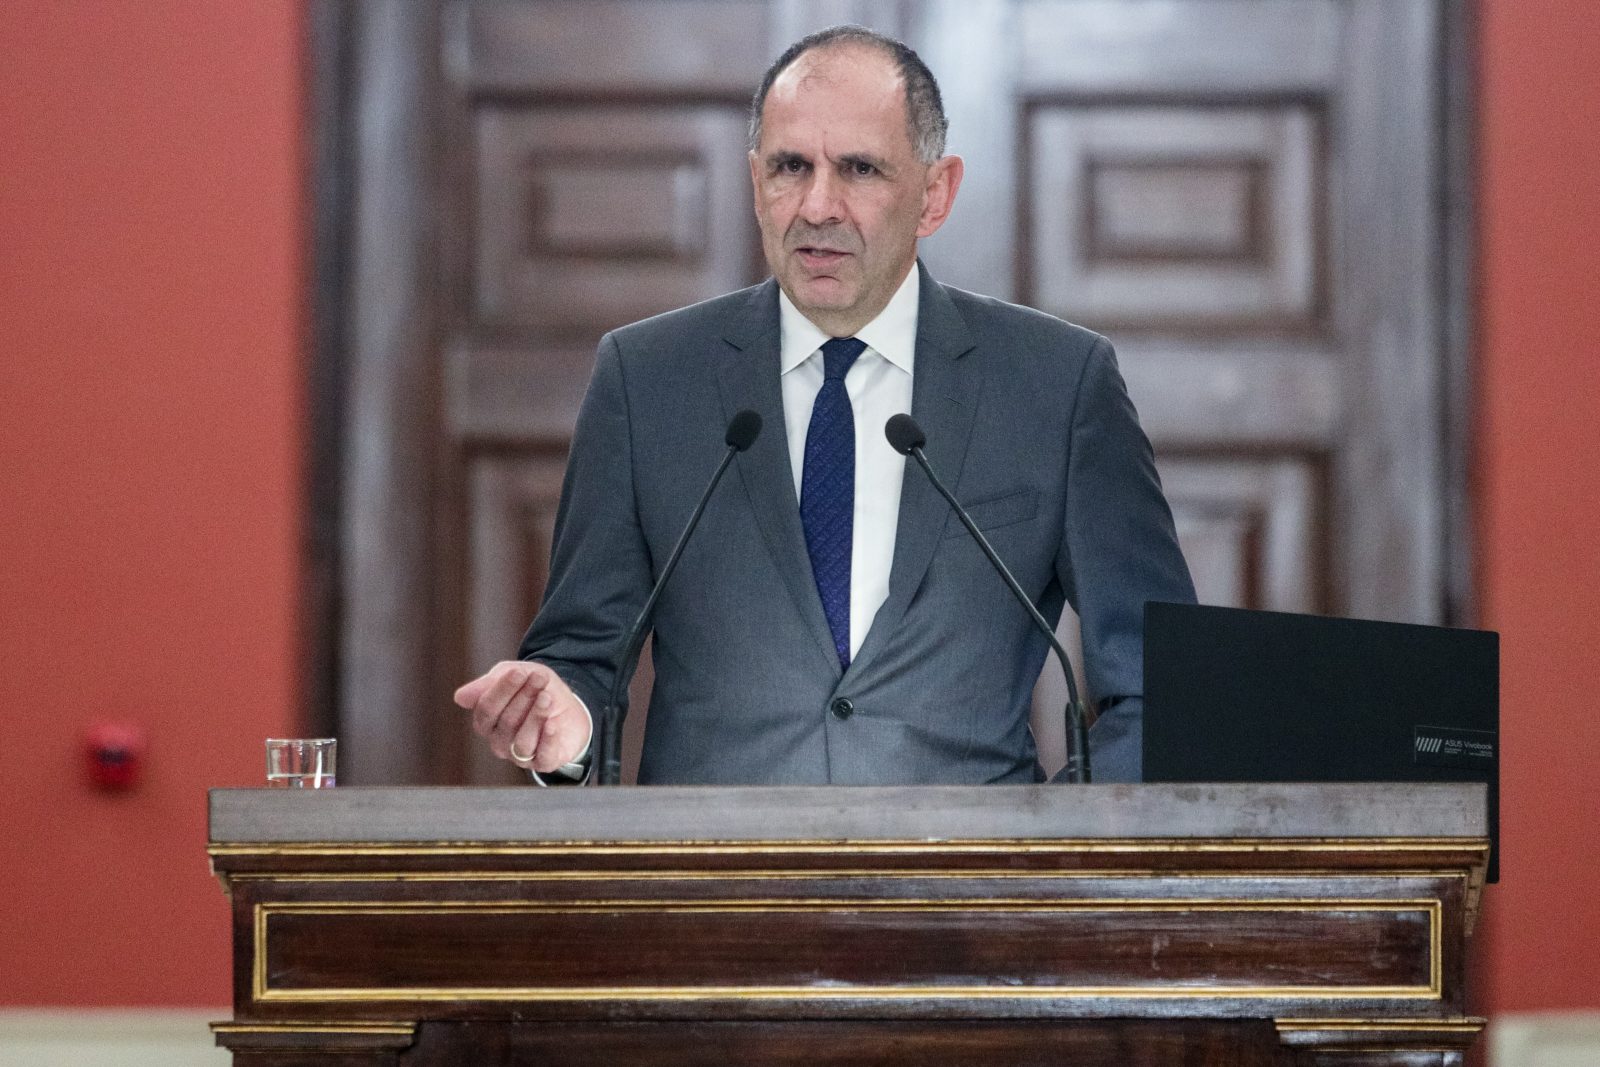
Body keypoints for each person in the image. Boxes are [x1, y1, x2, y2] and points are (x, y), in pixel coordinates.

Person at [453, 26, 1195, 785]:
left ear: (935, 194)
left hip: (970, 863)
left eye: (859, 169)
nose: (817, 205)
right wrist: (566, 723)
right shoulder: (646, 379)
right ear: (755, 183)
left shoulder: (1057, 384)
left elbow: (1162, 690)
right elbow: (580, 655)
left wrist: (1048, 840)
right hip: (713, 861)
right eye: (790, 167)